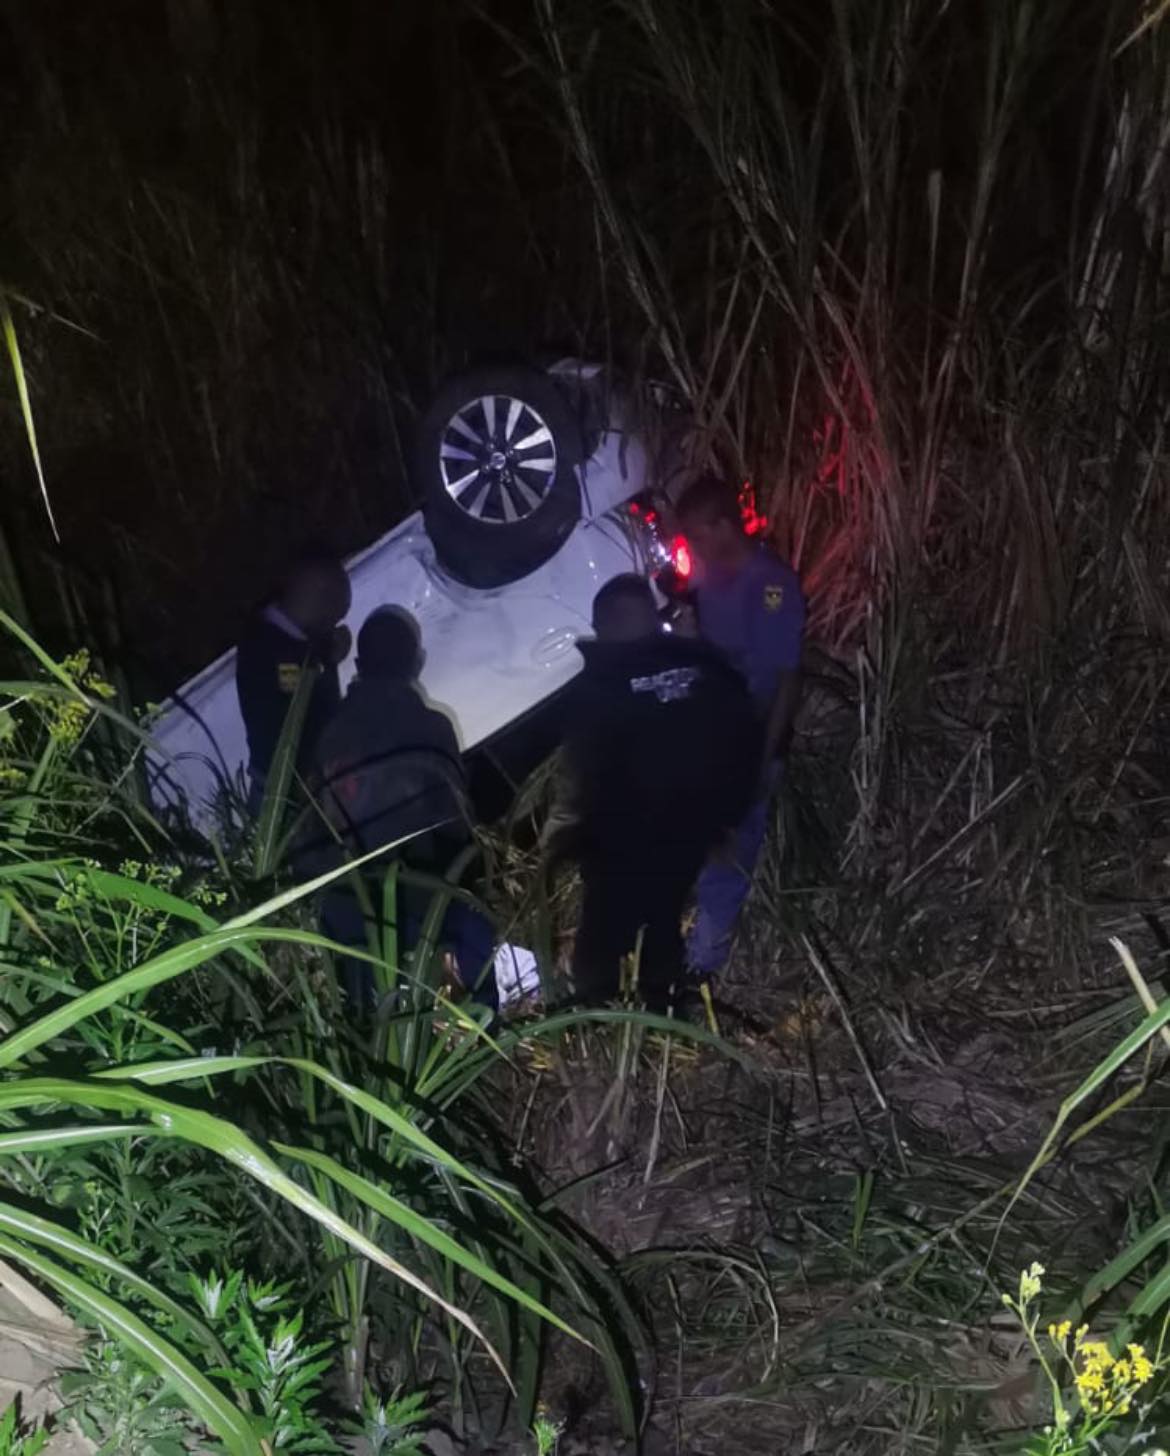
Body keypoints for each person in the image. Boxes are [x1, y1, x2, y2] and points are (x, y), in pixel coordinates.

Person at [554, 574, 760, 1011]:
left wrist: (579, 835)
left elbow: (587, 768)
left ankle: (598, 1016)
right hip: (687, 831)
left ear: (603, 625)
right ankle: (662, 1009)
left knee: (605, 932)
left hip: (620, 837)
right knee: (662, 921)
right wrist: (726, 818)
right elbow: (742, 737)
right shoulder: (705, 667)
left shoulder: (597, 686)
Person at [297, 606, 496, 1011]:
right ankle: (483, 1034)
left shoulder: (325, 727)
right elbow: (457, 822)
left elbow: (308, 816)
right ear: (417, 663)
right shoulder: (433, 727)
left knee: (362, 996)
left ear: (359, 662)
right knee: (476, 935)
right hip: (423, 889)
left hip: (345, 893)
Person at [674, 474, 806, 980]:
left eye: (697, 534)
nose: (690, 546)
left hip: (748, 741)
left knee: (730, 853)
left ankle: (700, 969)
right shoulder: (710, 578)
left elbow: (787, 679)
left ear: (724, 525)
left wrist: (761, 758)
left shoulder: (771, 586)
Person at [236, 552, 352, 808]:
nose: (334, 623)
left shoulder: (271, 638)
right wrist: (330, 661)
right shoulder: (268, 649)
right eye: (335, 614)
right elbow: (306, 708)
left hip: (291, 791)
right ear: (320, 594)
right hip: (282, 799)